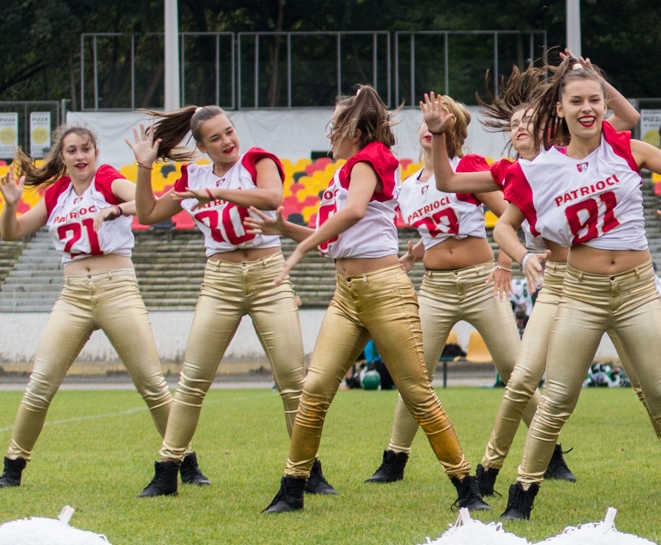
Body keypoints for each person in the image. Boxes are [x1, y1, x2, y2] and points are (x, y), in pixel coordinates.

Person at [426, 57, 661, 522]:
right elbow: (448, 181)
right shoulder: (539, 169)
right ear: (560, 110)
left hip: (636, 290)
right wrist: (439, 133)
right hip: (579, 291)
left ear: (604, 105)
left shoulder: (626, 148)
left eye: (594, 101)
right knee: (558, 398)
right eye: (576, 101)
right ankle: (520, 498)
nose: (587, 109)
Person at [254, 85, 489, 514]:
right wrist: (288, 231)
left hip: (384, 290)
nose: (330, 136)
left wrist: (302, 248)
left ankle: (466, 486)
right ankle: (292, 487)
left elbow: (356, 211)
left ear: (357, 130)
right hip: (348, 293)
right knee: (315, 388)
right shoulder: (344, 171)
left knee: (417, 392)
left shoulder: (372, 157)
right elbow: (343, 237)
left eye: (336, 127)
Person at [465, 60, 639, 494]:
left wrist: (595, 77)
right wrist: (513, 259)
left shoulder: (566, 158)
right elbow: (500, 221)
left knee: (645, 382)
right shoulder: (519, 173)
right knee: (524, 380)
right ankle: (488, 472)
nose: (518, 127)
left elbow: (630, 119)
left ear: (548, 123)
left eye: (527, 120)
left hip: (606, 279)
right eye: (513, 123)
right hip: (557, 284)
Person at [127, 106, 307, 497]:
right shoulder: (193, 176)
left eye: (229, 131)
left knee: (293, 381)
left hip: (268, 275)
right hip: (220, 280)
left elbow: (273, 196)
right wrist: (144, 168)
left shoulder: (256, 160)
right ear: (202, 146)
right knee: (192, 381)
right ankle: (167, 470)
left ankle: (306, 470)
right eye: (216, 138)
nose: (227, 141)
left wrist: (216, 192)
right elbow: (146, 212)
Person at [362, 96, 527, 485]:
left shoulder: (468, 168)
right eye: (426, 119)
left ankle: (549, 453)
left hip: (479, 280)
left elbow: (510, 215)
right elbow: (436, 232)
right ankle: (395, 458)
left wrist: (505, 264)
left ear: (453, 129)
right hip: (435, 289)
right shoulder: (407, 187)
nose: (429, 124)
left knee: (515, 371)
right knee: (412, 374)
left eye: (439, 120)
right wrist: (414, 256)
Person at [0, 125, 172, 490]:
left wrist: (112, 210)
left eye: (86, 149)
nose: (80, 156)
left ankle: (183, 459)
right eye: (72, 150)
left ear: (96, 152)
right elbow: (12, 233)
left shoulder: (108, 179)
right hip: (73, 294)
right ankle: (13, 467)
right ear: (61, 157)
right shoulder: (57, 191)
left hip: (117, 289)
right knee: (39, 384)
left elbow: (147, 206)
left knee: (151, 384)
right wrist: (12, 204)